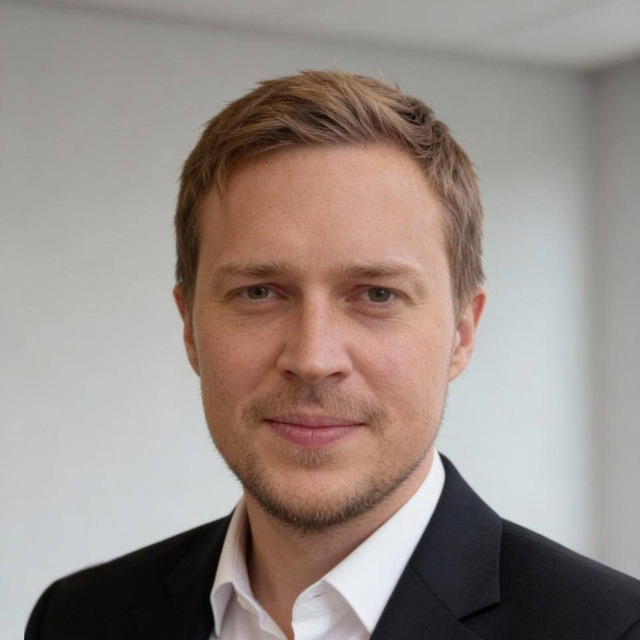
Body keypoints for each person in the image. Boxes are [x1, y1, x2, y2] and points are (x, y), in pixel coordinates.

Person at [26, 70, 640, 640]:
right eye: (259, 292)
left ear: (461, 334)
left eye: (376, 294)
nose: (313, 358)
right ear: (190, 327)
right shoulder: (78, 619)